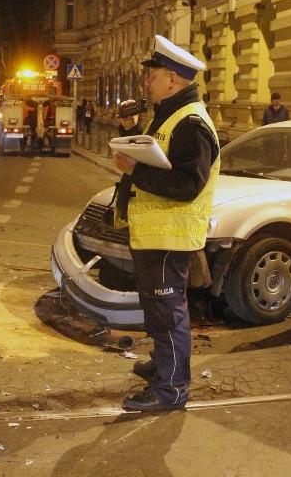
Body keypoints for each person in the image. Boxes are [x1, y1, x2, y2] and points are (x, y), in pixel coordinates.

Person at [113, 34, 220, 412]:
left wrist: (135, 171)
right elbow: (154, 157)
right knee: (157, 310)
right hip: (155, 234)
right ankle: (163, 365)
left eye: (152, 75)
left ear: (173, 78)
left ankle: (171, 389)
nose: (147, 82)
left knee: (168, 312)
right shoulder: (170, 114)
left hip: (169, 236)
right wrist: (129, 133)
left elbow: (188, 185)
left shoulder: (191, 122)